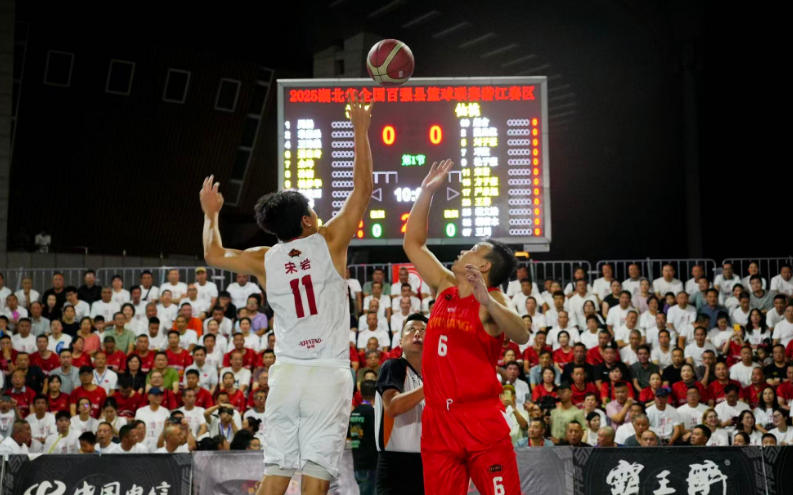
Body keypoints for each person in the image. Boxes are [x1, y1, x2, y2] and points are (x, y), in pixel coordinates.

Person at [201, 96, 372, 495]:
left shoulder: (264, 258)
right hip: (328, 373)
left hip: (288, 374)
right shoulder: (329, 240)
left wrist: (211, 214)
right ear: (307, 220)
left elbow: (213, 254)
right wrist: (360, 130)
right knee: (316, 477)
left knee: (275, 475)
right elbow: (363, 189)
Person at [403, 159, 528, 494]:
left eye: (473, 250)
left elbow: (521, 334)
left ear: (484, 267)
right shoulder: (444, 285)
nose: (464, 250)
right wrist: (426, 192)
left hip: (480, 418)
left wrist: (488, 301)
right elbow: (413, 244)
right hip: (439, 422)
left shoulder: (493, 300)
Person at [374, 314, 426, 495]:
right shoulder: (392, 366)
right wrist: (430, 386)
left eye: (423, 330)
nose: (417, 333)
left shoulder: (429, 376)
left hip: (425, 461)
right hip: (395, 463)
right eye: (411, 329)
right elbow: (392, 407)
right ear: (400, 341)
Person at [349, 379, 378, 495]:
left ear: (360, 393)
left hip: (357, 463)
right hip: (371, 464)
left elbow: (353, 435)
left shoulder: (354, 412)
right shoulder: (373, 413)